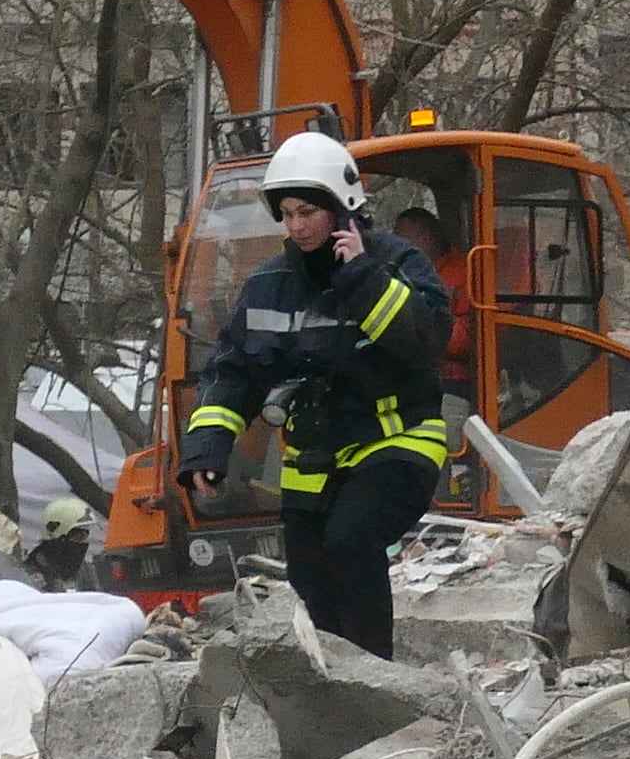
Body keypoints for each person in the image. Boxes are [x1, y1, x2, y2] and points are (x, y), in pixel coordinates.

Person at [178, 127, 451, 658]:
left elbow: (426, 341)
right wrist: (207, 449)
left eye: (308, 211)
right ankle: (332, 689)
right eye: (287, 214)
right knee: (311, 579)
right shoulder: (268, 283)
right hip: (311, 460)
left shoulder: (396, 263)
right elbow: (233, 372)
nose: (296, 225)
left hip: (398, 444)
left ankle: (376, 677)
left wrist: (362, 278)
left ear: (343, 207)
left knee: (351, 541)